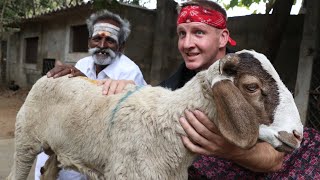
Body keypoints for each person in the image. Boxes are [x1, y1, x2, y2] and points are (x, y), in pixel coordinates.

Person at [101, 0, 319, 179]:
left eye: (198, 33)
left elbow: (275, 158)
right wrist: (130, 92)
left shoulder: (248, 78)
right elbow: (152, 112)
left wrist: (230, 149)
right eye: (182, 34)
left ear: (223, 37)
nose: (186, 44)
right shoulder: (177, 84)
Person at [35, 9, 146, 180]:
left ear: (121, 46)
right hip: (78, 138)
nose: (101, 45)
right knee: (44, 151)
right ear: (89, 42)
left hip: (108, 150)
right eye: (97, 39)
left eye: (109, 40)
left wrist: (87, 84)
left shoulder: (130, 73)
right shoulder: (82, 64)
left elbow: (124, 127)